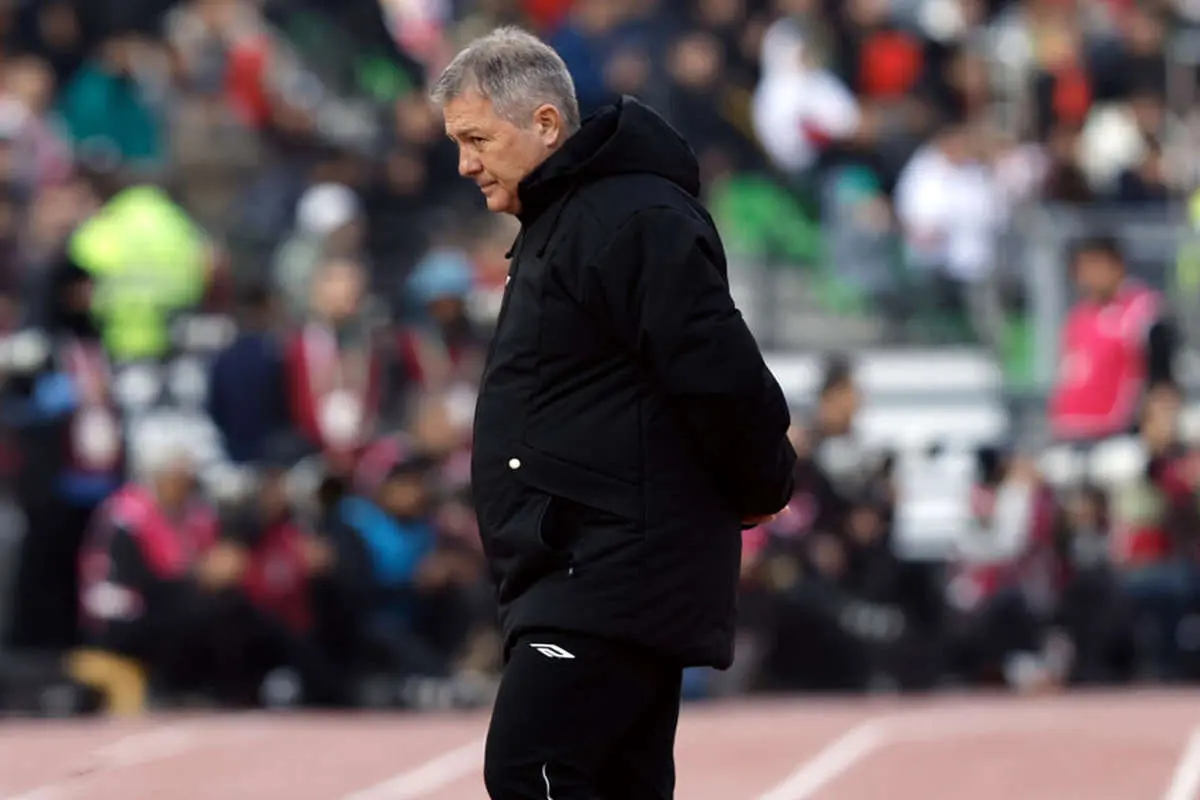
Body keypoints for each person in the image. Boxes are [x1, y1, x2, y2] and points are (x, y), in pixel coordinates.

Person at [431, 27, 795, 800]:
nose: (464, 163)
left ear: (545, 124)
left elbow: (720, 371)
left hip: (605, 565)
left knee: (532, 767)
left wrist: (763, 481)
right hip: (589, 561)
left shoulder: (626, 218)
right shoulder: (571, 220)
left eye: (476, 139)